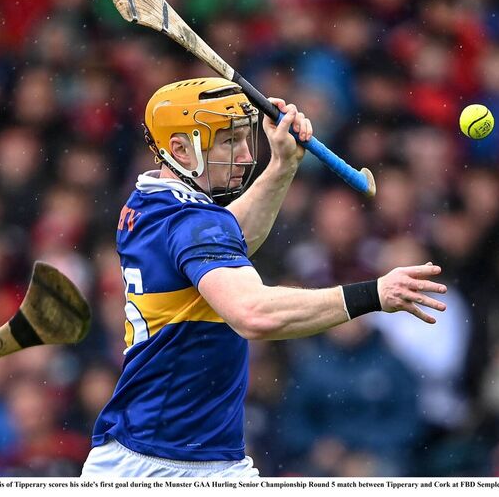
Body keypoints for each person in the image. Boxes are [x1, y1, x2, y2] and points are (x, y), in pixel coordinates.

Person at [81, 78, 447, 477]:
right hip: (159, 466)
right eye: (226, 142)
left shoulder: (150, 203)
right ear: (181, 151)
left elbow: (230, 239)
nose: (243, 154)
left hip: (190, 454)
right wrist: (374, 294)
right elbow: (253, 313)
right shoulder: (191, 222)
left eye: (243, 138)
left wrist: (283, 165)